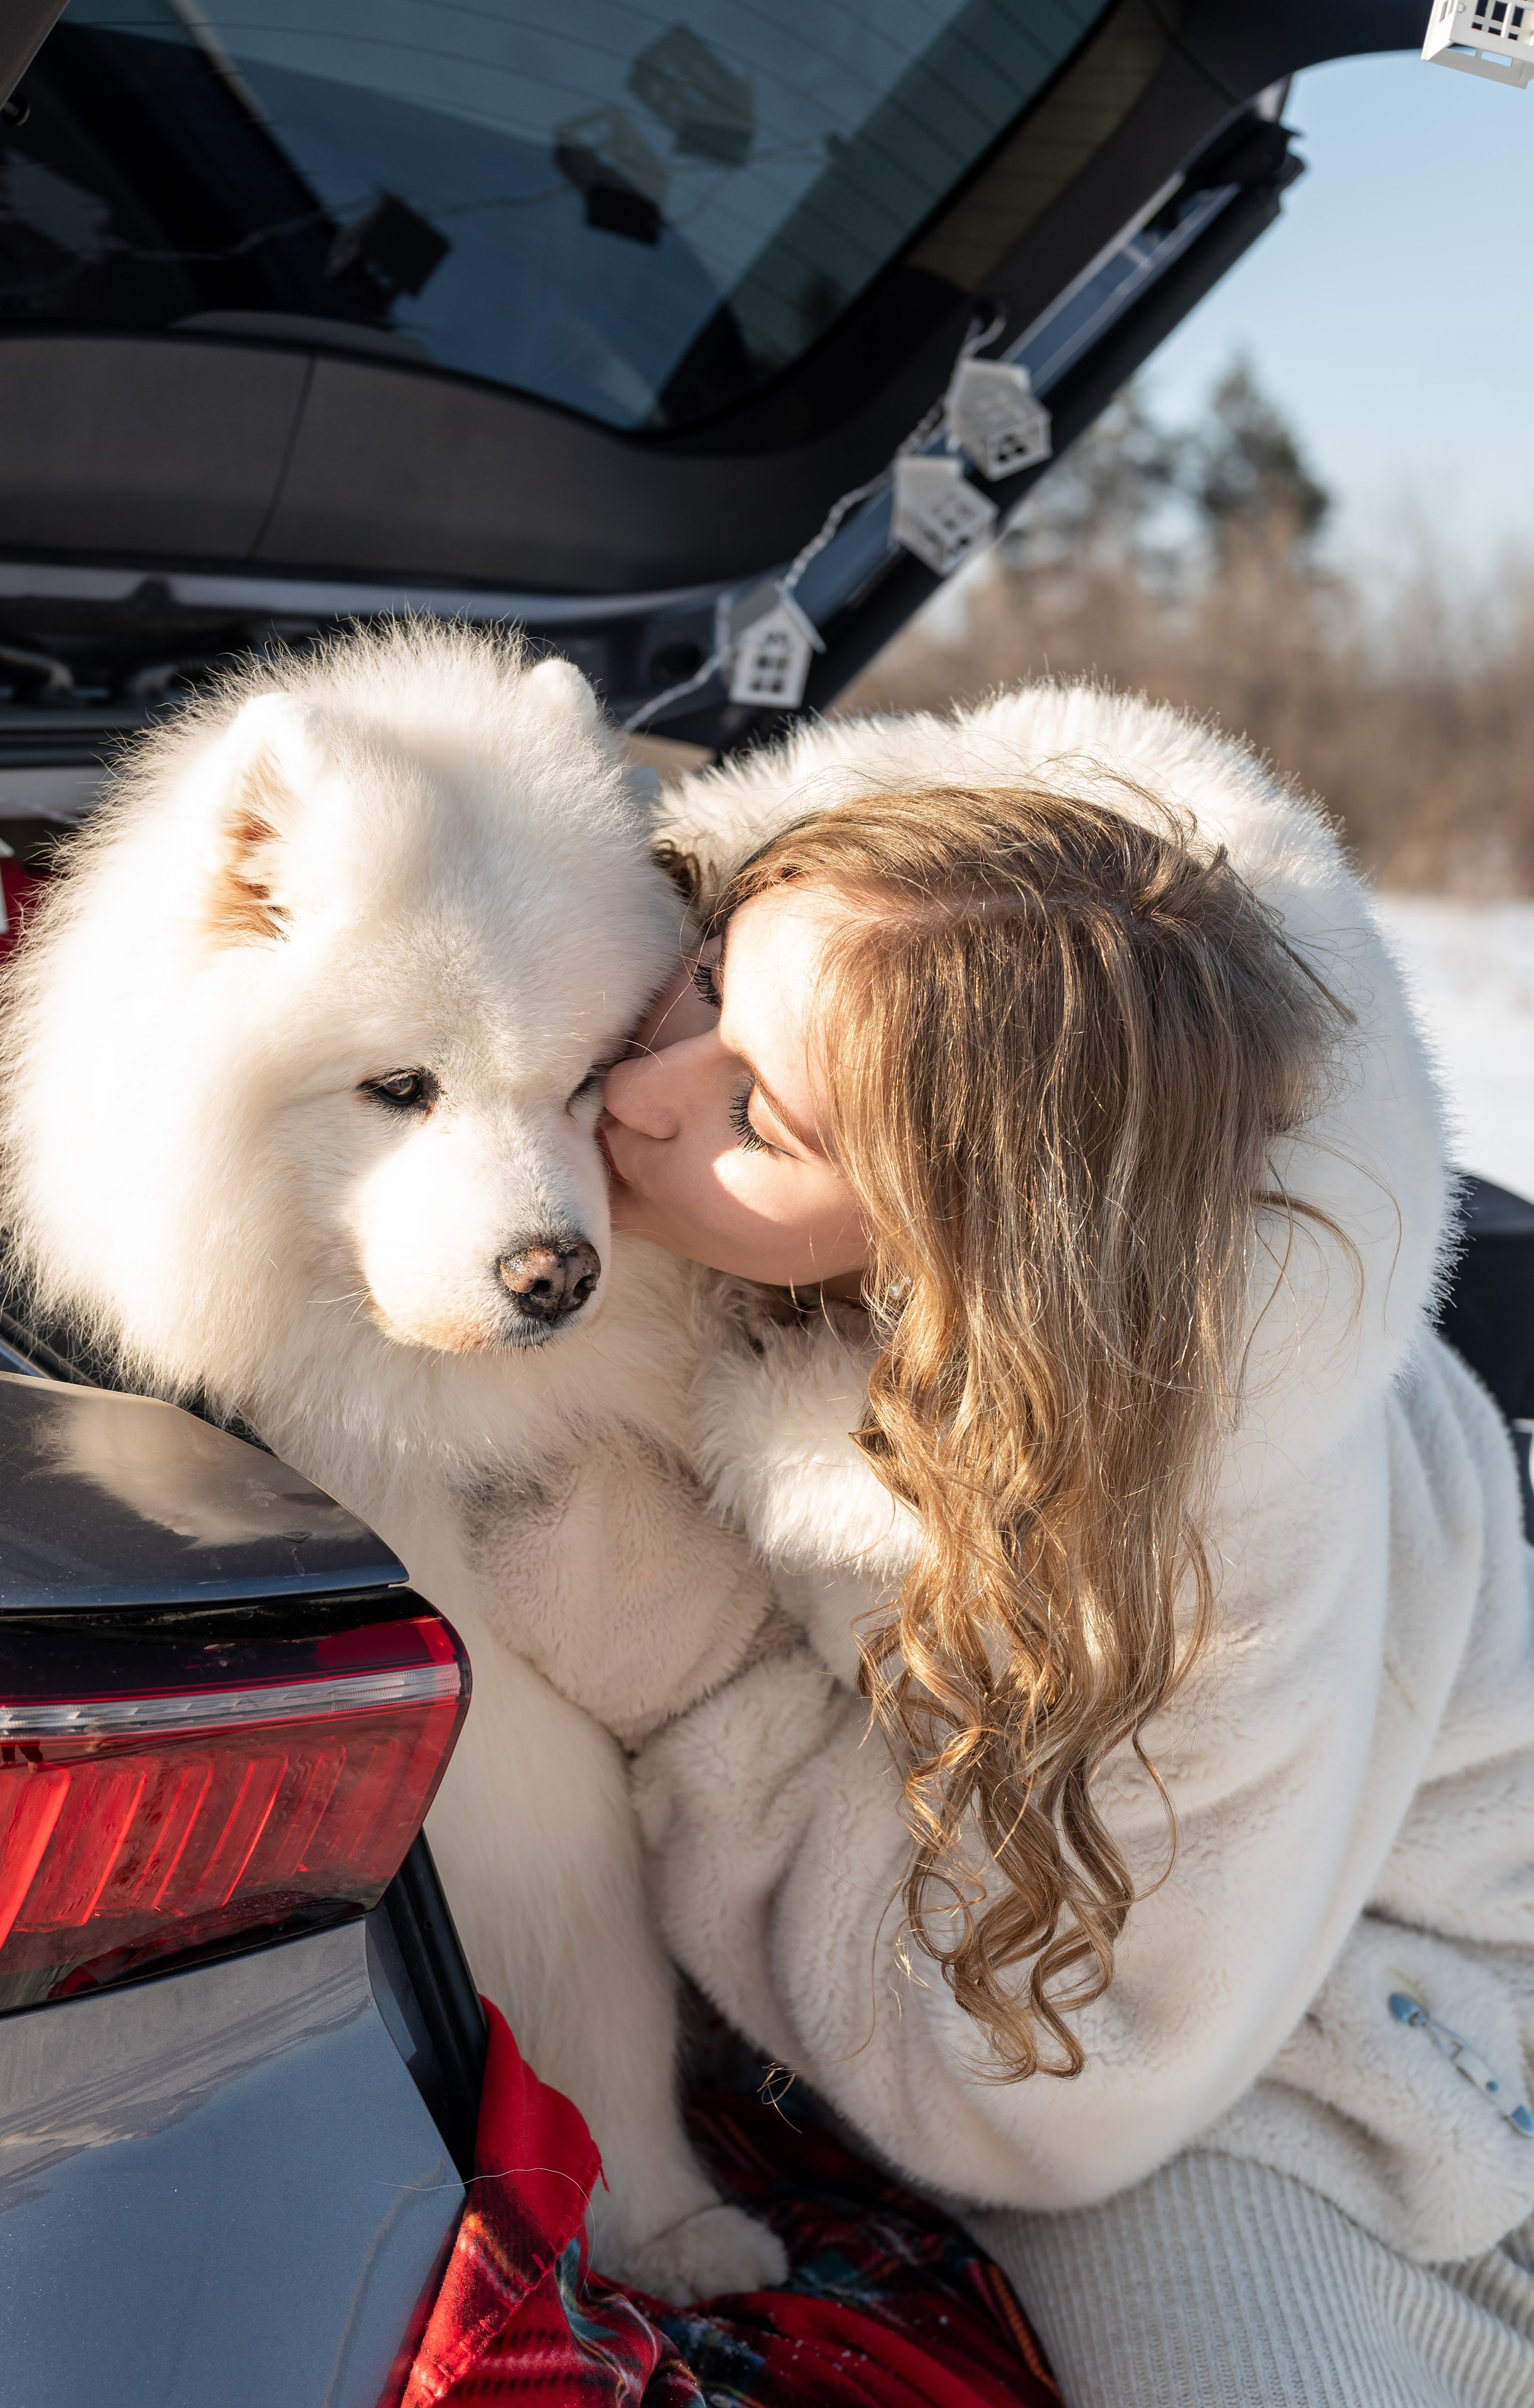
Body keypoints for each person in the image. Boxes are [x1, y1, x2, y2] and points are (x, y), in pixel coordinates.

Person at [598, 684, 1534, 2407]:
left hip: (1329, 2014)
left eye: (758, 1123)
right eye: (717, 978)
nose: (644, 1092)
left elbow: (1063, 2083)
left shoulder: (1197, 1542)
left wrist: (689, 1663)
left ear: (968, 1254)